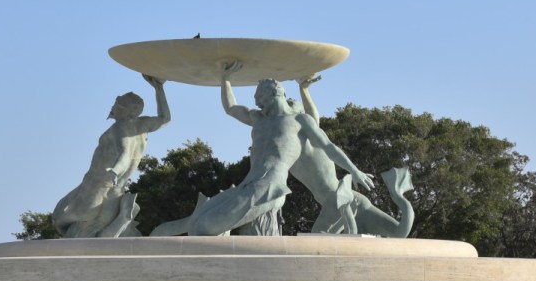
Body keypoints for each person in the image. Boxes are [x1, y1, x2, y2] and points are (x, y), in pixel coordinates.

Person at [152, 75, 372, 237]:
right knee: (197, 220)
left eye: (260, 98)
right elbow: (231, 108)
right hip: (248, 183)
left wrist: (354, 170)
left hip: (271, 185)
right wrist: (225, 78)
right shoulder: (259, 119)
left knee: (203, 228)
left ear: (276, 92)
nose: (257, 103)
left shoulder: (300, 120)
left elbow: (328, 146)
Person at [289, 76, 415, 237]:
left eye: (291, 103)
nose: (287, 103)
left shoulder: (311, 137)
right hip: (344, 201)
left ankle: (398, 193)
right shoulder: (287, 144)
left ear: (301, 114)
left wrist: (303, 89)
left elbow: (314, 119)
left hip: (340, 198)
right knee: (395, 235)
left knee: (316, 241)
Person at [52, 75, 169, 238]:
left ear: (131, 111)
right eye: (116, 103)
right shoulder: (143, 125)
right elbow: (165, 118)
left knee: (62, 220)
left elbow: (125, 153)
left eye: (119, 105)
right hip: (115, 194)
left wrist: (114, 171)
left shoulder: (120, 127)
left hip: (96, 189)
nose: (114, 107)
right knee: (98, 234)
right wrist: (159, 89)